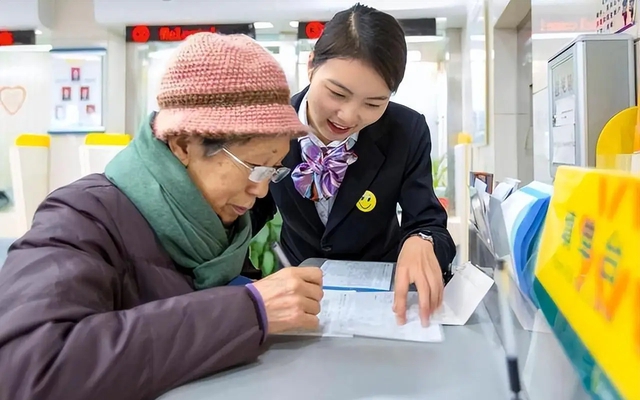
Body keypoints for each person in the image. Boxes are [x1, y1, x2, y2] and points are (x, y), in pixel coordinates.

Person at [0, 33, 324, 400]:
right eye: (254, 167)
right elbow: (27, 368)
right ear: (184, 145)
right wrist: (247, 311)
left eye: (272, 171)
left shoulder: (215, 225)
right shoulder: (81, 218)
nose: (261, 190)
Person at [258, 4, 456, 326]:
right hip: (299, 295)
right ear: (311, 66)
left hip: (382, 301)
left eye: (373, 103)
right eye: (337, 93)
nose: (349, 116)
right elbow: (247, 213)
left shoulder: (406, 131)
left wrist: (422, 241)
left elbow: (428, 220)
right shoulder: (271, 124)